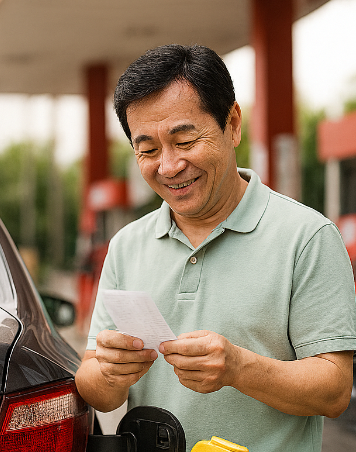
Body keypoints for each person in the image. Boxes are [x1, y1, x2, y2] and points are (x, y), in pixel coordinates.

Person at [75, 44, 356, 450]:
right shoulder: (126, 246)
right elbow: (94, 387)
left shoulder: (307, 237)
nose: (169, 166)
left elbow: (334, 391)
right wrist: (108, 373)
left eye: (185, 140)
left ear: (233, 124)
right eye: (148, 150)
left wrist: (239, 368)